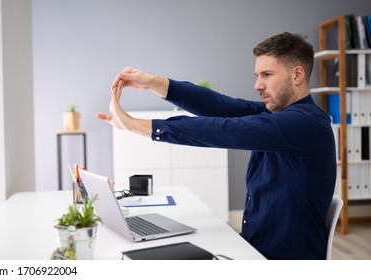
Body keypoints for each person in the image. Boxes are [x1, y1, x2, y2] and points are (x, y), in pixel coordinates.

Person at [97, 32, 336, 260]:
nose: (258, 85)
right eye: (257, 76)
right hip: (253, 249)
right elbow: (222, 107)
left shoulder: (307, 123)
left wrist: (132, 125)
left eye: (267, 74)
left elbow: (225, 130)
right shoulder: (277, 116)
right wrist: (154, 83)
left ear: (297, 75)